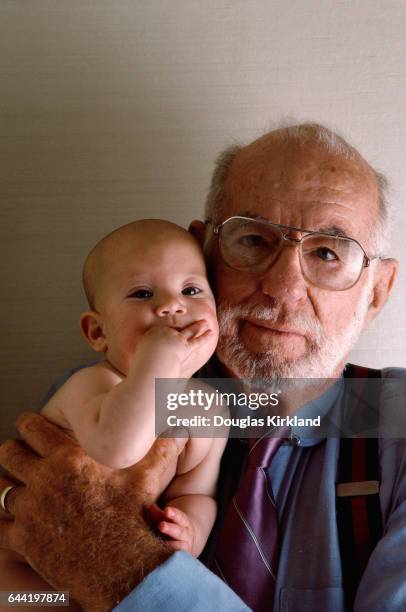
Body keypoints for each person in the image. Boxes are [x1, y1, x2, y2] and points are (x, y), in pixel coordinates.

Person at [0, 123, 405, 612]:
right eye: (254, 240)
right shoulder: (111, 392)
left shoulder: (394, 426)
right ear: (205, 250)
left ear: (378, 290)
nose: (283, 288)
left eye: (325, 252)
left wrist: (122, 565)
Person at [0, 220, 225, 596]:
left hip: (111, 575)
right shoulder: (91, 386)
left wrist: (191, 532)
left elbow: (197, 492)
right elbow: (119, 449)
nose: (172, 305)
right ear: (97, 333)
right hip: (25, 571)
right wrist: (158, 362)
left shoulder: (208, 408)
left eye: (191, 289)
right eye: (141, 293)